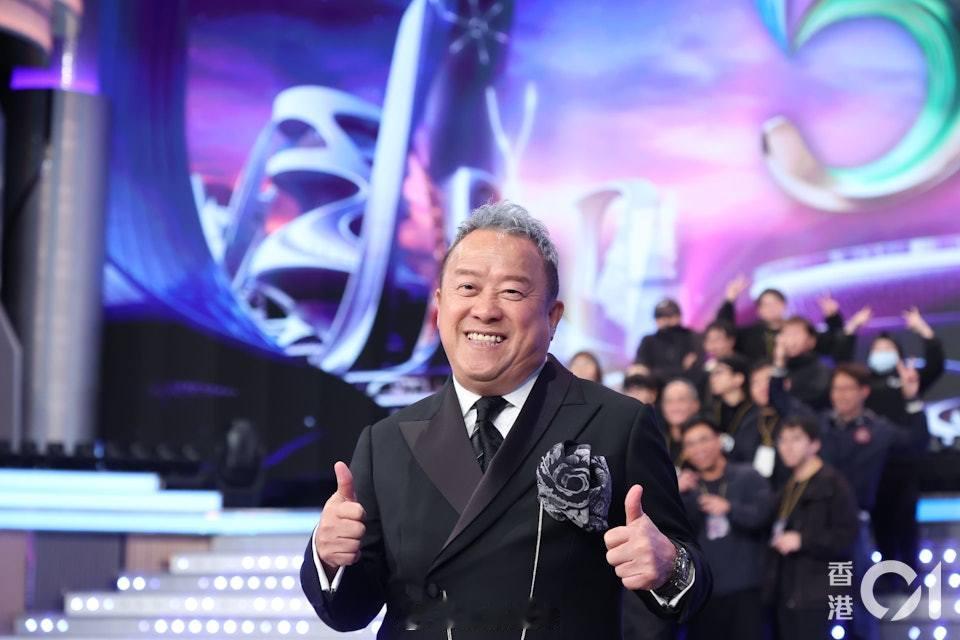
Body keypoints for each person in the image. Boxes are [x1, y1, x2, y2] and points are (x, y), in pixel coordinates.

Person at [302, 201, 711, 639]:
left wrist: (669, 565)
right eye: (467, 287)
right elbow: (349, 613)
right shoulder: (385, 442)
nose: (485, 309)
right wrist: (328, 558)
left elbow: (691, 589)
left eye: (512, 292)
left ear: (553, 317)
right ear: (439, 305)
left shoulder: (618, 424)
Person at [762, 415, 859, 640]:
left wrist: (803, 540)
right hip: (788, 590)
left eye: (796, 439)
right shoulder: (788, 485)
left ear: (814, 444)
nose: (787, 447)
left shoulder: (833, 483)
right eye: (782, 440)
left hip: (820, 593)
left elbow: (847, 538)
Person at [676, 418, 772, 640]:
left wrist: (730, 509)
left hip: (747, 589)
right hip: (704, 592)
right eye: (690, 444)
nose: (699, 448)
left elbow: (765, 517)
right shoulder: (687, 489)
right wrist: (675, 493)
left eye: (704, 440)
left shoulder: (747, 475)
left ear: (719, 440)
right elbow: (676, 534)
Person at [718, 277, 845, 365]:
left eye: (775, 303)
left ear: (784, 305)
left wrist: (832, 317)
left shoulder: (798, 329)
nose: (771, 308)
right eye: (766, 305)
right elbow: (723, 332)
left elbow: (830, 342)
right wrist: (729, 301)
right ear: (759, 311)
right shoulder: (749, 335)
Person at [633, 298, 702, 383]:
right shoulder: (648, 341)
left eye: (669, 316)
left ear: (678, 316)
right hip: (655, 385)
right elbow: (641, 368)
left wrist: (657, 371)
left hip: (686, 384)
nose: (665, 320)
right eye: (660, 316)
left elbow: (695, 368)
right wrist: (680, 369)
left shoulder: (691, 337)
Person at [774, 316, 835, 411]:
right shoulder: (776, 366)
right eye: (786, 334)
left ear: (812, 341)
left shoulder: (821, 370)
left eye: (796, 334)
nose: (790, 340)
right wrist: (779, 361)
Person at [706, 354, 758, 458]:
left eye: (719, 373)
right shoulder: (711, 411)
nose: (712, 379)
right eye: (712, 374)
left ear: (738, 378)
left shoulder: (755, 411)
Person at [659, 378, 702, 468]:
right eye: (669, 401)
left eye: (681, 400)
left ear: (696, 405)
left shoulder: (706, 440)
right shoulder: (656, 439)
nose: (675, 407)